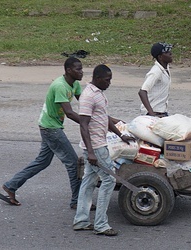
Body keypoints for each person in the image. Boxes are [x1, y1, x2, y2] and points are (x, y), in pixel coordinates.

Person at [0, 57, 86, 210]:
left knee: (42, 161)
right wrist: (90, 123)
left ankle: (11, 186)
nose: (82, 72)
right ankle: (77, 201)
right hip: (51, 128)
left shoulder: (75, 84)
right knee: (73, 163)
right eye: (78, 69)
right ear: (68, 70)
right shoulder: (60, 86)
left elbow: (85, 104)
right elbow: (70, 113)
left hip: (48, 125)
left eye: (81, 69)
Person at [73, 64, 134, 236]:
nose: (109, 83)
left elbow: (104, 118)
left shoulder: (98, 94)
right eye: (107, 80)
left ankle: (81, 220)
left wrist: (121, 135)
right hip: (96, 147)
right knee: (109, 181)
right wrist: (91, 152)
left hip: (97, 145)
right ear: (98, 78)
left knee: (89, 181)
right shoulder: (88, 96)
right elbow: (83, 125)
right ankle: (101, 224)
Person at [138, 42, 173, 117]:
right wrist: (151, 113)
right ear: (160, 57)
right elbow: (142, 92)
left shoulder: (165, 68)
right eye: (167, 52)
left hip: (162, 112)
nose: (170, 54)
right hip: (153, 113)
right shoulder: (156, 72)